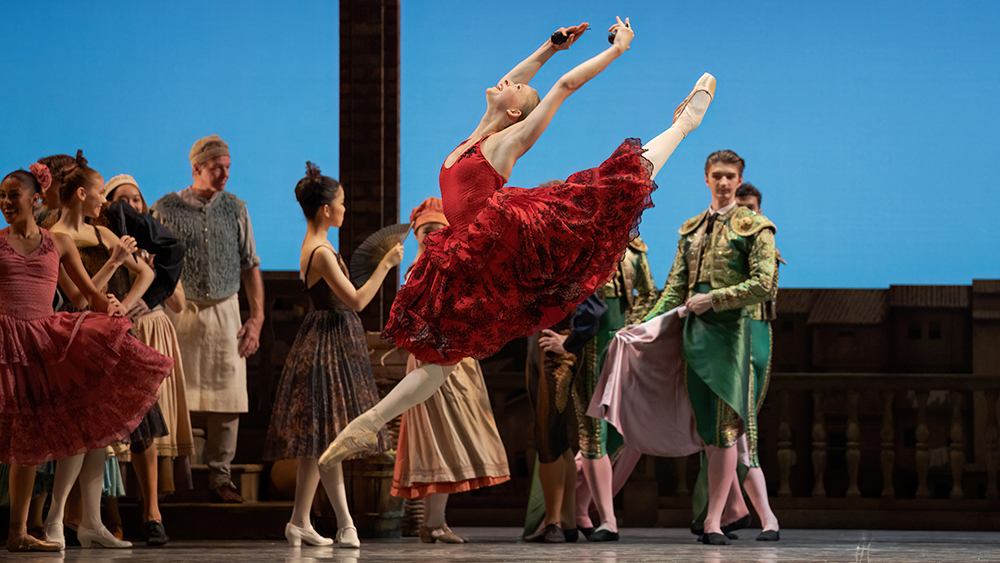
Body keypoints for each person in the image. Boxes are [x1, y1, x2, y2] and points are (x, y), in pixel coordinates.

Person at [322, 16, 716, 468]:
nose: (509, 80)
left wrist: (617, 49)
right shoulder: (477, 135)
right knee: (443, 353)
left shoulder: (506, 141)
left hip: (497, 240)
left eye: (515, 87)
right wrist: (550, 48)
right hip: (464, 251)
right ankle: (372, 420)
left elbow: (563, 87)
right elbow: (520, 80)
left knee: (610, 188)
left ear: (514, 112)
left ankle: (682, 126)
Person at [0, 165, 170, 552]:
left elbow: (88, 296)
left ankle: (18, 532)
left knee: (28, 439)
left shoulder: (56, 244)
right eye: (2, 197)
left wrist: (113, 310)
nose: (7, 203)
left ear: (35, 199)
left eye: (13, 195)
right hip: (6, 342)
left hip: (41, 344)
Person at [640, 150, 777, 545]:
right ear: (705, 178)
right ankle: (721, 518)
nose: (723, 182)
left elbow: (764, 284)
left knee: (724, 428)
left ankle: (716, 520)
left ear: (739, 179)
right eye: (717, 175)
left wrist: (713, 300)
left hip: (729, 336)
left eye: (730, 176)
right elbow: (674, 289)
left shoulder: (755, 226)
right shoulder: (692, 229)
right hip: (695, 334)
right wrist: (644, 324)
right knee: (709, 431)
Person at [264, 163, 400, 549]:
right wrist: (386, 266)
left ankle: (300, 520)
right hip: (326, 344)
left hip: (333, 340)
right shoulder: (320, 251)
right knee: (330, 435)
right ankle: (345, 523)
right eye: (340, 202)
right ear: (325, 209)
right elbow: (355, 300)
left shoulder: (320, 246)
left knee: (317, 439)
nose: (345, 208)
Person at [46, 152, 164, 550]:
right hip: (75, 333)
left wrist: (126, 305)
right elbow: (77, 296)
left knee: (100, 433)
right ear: (81, 194)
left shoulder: (102, 234)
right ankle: (55, 519)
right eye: (99, 194)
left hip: (107, 333)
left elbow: (147, 272)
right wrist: (113, 266)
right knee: (78, 432)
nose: (105, 203)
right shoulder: (56, 238)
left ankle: (92, 522)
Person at [152, 135, 265, 503]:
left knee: (229, 399)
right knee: (172, 397)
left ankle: (221, 476)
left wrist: (257, 319)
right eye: (218, 166)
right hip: (180, 312)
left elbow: (250, 265)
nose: (225, 173)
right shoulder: (165, 208)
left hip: (224, 311)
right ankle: (168, 479)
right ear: (197, 168)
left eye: (228, 166)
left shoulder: (236, 208)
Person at [392, 198, 511, 544]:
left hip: (454, 356)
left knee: (447, 437)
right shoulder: (422, 267)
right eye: (427, 230)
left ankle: (435, 521)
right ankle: (433, 522)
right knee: (439, 437)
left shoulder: (448, 262)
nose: (434, 236)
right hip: (435, 358)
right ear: (417, 235)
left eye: (440, 229)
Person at [106, 173, 193, 546]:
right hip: (113, 332)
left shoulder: (152, 248)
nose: (131, 207)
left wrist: (154, 277)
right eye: (121, 201)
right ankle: (109, 515)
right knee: (109, 432)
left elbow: (179, 301)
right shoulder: (106, 242)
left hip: (150, 331)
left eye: (136, 200)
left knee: (147, 424)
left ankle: (152, 511)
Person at [523, 292, 606, 543]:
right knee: (555, 438)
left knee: (547, 438)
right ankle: (566, 521)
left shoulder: (568, 254)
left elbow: (593, 306)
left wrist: (571, 340)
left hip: (556, 351)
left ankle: (553, 522)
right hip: (538, 343)